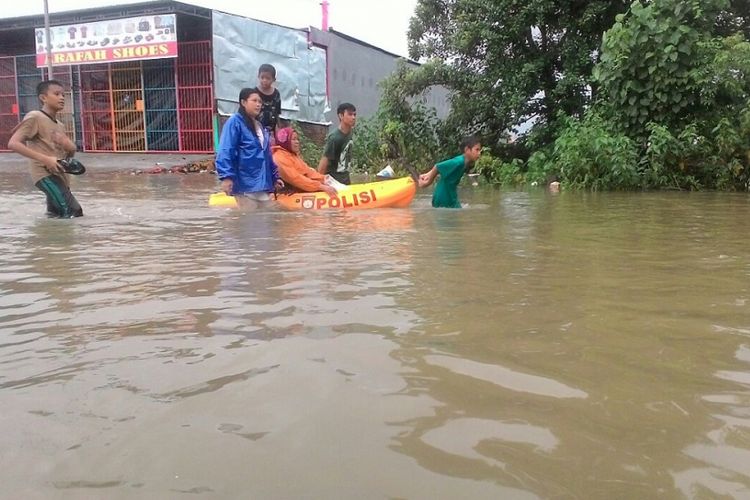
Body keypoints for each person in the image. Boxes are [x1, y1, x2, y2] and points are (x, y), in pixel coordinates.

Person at [8, 80, 82, 218]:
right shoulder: (35, 117)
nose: (61, 98)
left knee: (54, 215)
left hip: (61, 177)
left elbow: (67, 155)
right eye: (56, 94)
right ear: (43, 98)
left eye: (63, 95)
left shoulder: (60, 125)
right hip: (45, 175)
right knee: (73, 211)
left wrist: (70, 146)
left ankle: (50, 239)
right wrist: (45, 159)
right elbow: (13, 143)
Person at [215, 87, 284, 208]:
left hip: (262, 184)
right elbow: (226, 150)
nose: (258, 104)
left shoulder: (260, 126)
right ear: (243, 102)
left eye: (260, 102)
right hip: (244, 185)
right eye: (254, 101)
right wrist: (226, 177)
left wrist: (274, 178)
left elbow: (266, 155)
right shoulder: (235, 123)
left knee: (270, 219)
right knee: (248, 221)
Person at [418, 135, 482, 208]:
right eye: (477, 150)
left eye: (479, 150)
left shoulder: (464, 163)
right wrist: (428, 182)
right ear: (467, 149)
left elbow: (440, 167)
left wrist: (427, 174)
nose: (479, 153)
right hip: (443, 198)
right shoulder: (459, 162)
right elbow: (438, 166)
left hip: (450, 197)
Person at [272, 127, 338, 196]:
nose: (297, 142)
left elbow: (308, 172)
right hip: (287, 195)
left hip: (299, 191)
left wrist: (324, 179)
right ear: (286, 141)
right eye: (294, 139)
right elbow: (297, 179)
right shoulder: (279, 158)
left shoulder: (292, 155)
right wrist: (321, 186)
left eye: (297, 139)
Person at [318, 102, 356, 185]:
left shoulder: (350, 133)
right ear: (341, 116)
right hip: (334, 181)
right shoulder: (334, 138)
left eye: (354, 115)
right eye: (350, 114)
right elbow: (325, 160)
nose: (353, 117)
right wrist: (318, 182)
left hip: (345, 178)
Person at [254, 63, 282, 136]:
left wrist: (278, 129)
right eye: (262, 77)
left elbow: (277, 113)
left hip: (271, 131)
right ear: (258, 76)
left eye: (268, 78)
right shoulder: (254, 93)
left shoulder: (276, 94)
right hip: (256, 129)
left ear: (274, 79)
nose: (264, 80)